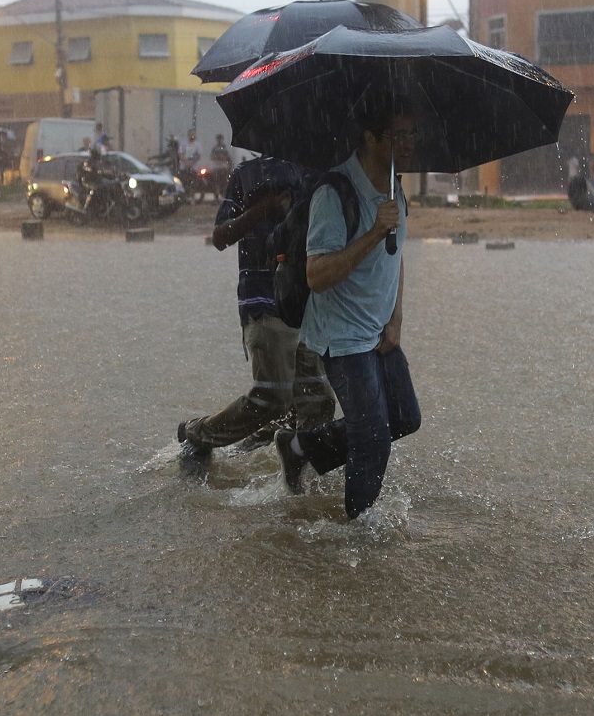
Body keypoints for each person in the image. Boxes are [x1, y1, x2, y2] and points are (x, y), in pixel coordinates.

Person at [277, 103, 422, 521]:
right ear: (371, 137)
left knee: (404, 417)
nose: (409, 144)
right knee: (373, 436)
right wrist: (376, 230)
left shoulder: (395, 188)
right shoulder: (334, 193)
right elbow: (317, 274)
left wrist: (396, 319)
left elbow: (396, 261)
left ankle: (299, 447)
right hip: (340, 336)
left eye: (414, 134)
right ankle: (357, 533)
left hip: (379, 330)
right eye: (399, 135)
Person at [176, 155, 334, 478]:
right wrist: (262, 209)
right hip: (262, 300)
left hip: (306, 302)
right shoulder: (247, 175)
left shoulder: (312, 172)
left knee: (317, 400)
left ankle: (290, 463)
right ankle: (199, 433)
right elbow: (220, 236)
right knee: (274, 394)